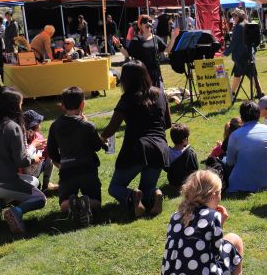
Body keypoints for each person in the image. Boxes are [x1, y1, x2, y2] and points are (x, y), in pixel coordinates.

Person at [161, 170, 260, 275]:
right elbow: (215, 252)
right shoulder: (212, 216)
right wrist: (220, 223)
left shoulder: (176, 216)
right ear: (213, 194)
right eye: (220, 192)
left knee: (183, 253)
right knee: (234, 240)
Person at [101, 60, 171, 217]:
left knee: (115, 187)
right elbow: (167, 124)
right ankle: (154, 194)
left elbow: (111, 128)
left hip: (136, 148)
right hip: (160, 148)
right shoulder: (160, 93)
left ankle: (131, 196)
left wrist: (101, 138)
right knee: (147, 189)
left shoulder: (127, 99)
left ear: (126, 79)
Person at [0, 87, 47, 234]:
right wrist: (34, 157)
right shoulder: (12, 127)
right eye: (20, 104)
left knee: (33, 181)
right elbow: (21, 161)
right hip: (2, 181)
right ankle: (16, 212)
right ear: (14, 106)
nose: (21, 107)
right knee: (40, 199)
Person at [46, 86, 105, 226]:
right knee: (96, 202)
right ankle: (85, 203)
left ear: (62, 106)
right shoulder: (88, 126)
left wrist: (61, 163)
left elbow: (51, 151)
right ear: (82, 104)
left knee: (63, 204)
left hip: (67, 170)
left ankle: (72, 204)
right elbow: (96, 146)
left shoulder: (55, 126)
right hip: (87, 169)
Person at [223, 100, 267, 193]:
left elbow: (230, 162)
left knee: (224, 159)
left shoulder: (235, 135)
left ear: (242, 117)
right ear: (258, 115)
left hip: (243, 183)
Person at [114, 15, 177, 88]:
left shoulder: (155, 38)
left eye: (149, 21)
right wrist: (119, 46)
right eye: (145, 21)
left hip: (155, 74)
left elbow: (167, 50)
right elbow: (128, 54)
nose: (148, 23)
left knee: (158, 95)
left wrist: (173, 37)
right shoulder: (136, 40)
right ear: (140, 25)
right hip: (142, 74)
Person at [223, 9, 263, 97]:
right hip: (249, 55)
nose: (233, 18)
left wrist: (225, 53)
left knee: (250, 75)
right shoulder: (247, 24)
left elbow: (234, 43)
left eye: (235, 16)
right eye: (233, 16)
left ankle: (260, 92)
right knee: (240, 74)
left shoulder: (238, 27)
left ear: (240, 17)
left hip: (241, 56)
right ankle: (232, 93)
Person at [22, 109, 56, 192]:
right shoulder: (21, 139)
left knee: (50, 156)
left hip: (35, 167)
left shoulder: (38, 136)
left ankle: (46, 185)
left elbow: (45, 153)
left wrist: (48, 149)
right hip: (24, 172)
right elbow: (24, 157)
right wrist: (33, 147)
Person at [165, 123, 198, 192]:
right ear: (185, 139)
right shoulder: (189, 153)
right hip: (186, 183)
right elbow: (195, 169)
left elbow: (166, 168)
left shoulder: (167, 152)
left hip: (173, 183)